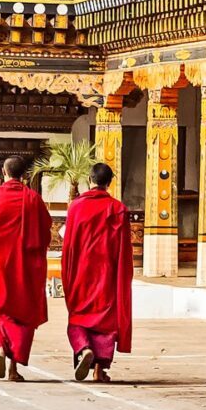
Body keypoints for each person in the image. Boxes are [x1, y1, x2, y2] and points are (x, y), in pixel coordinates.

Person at [0, 156, 52, 381]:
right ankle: (13, 369)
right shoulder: (34, 199)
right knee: (22, 314)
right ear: (25, 174)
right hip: (25, 268)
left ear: (3, 172)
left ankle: (0, 348)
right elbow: (45, 232)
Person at [60, 162, 133, 383]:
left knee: (78, 315)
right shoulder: (119, 209)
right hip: (107, 274)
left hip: (81, 272)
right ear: (109, 183)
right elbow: (124, 250)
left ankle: (84, 348)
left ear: (89, 180)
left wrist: (67, 273)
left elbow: (69, 245)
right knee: (105, 322)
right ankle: (99, 370)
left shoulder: (76, 207)